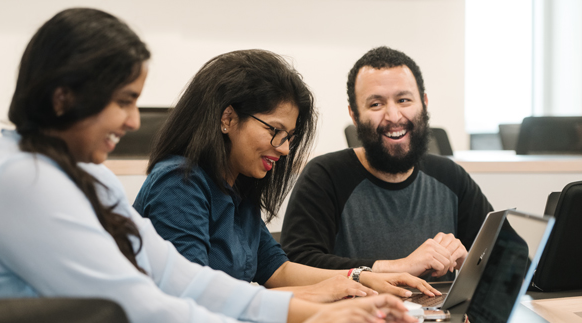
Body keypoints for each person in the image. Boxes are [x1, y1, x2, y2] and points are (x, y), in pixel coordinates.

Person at [0, 9, 417, 323]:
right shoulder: (23, 180)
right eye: (124, 101)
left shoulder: (88, 176)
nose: (134, 121)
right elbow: (141, 308)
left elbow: (182, 277)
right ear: (63, 98)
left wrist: (307, 314)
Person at [133, 49, 440, 302]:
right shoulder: (178, 184)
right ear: (227, 118)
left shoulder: (237, 186)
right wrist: (324, 294)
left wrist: (364, 278)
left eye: (289, 137)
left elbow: (276, 270)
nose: (282, 150)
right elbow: (196, 298)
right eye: (274, 131)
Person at [280, 46, 493, 282]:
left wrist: (474, 261)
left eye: (404, 100)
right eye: (376, 104)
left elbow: (513, 261)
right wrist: (399, 267)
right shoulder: (324, 177)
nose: (393, 116)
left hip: (441, 317)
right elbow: (295, 265)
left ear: (423, 103)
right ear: (354, 115)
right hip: (357, 316)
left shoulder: (451, 176)